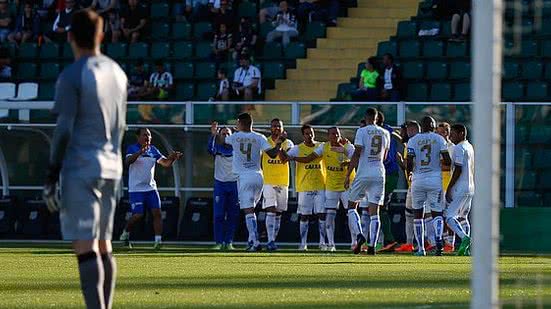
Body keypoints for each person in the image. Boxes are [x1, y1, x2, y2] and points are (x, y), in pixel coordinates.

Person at [42, 9, 127, 309]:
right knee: (105, 244)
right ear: (101, 35)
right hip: (112, 167)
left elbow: (64, 128)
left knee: (85, 247)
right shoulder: (118, 73)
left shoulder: (72, 75)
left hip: (81, 166)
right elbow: (121, 125)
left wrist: (52, 173)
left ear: (69, 37)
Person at [214, 113, 285, 252]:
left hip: (244, 177)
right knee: (252, 208)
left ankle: (255, 242)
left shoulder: (234, 137)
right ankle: (252, 240)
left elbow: (221, 142)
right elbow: (272, 154)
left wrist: (215, 133)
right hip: (258, 176)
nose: (236, 125)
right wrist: (279, 143)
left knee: (248, 211)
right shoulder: (260, 137)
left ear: (241, 123)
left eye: (237, 122)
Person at [291, 127, 355, 252]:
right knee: (329, 215)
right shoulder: (324, 147)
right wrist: (292, 158)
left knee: (351, 213)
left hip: (347, 185)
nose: (335, 136)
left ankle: (354, 243)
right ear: (328, 136)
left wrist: (347, 163)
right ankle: (330, 244)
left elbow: (357, 159)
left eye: (337, 133)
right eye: (332, 134)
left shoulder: (348, 146)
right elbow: (309, 158)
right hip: (331, 186)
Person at [119, 128, 183, 250]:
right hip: (136, 189)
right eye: (144, 135)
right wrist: (139, 153)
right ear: (138, 137)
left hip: (150, 188)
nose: (147, 137)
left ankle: (158, 242)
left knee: (157, 213)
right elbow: (127, 161)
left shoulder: (153, 150)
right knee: (138, 214)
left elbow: (165, 163)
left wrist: (173, 158)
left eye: (149, 135)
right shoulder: (132, 148)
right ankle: (125, 233)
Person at [345, 108, 390, 255]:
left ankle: (359, 235)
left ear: (366, 118)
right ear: (377, 118)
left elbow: (357, 153)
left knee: (352, 206)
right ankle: (372, 245)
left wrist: (348, 174)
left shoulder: (362, 131)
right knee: (374, 212)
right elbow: (384, 157)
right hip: (379, 173)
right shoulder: (385, 133)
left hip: (364, 172)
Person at [406, 116, 452, 256]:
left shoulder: (413, 140)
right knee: (437, 212)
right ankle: (438, 240)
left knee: (417, 215)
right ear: (433, 126)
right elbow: (448, 161)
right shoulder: (439, 139)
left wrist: (409, 172)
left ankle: (421, 249)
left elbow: (409, 160)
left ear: (421, 126)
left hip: (418, 179)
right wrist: (437, 162)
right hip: (434, 179)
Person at [285, 125, 327, 251]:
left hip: (321, 185)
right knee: (304, 215)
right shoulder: (298, 148)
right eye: (307, 134)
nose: (310, 136)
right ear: (303, 135)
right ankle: (303, 243)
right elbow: (284, 158)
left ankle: (322, 242)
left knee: (322, 214)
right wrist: (281, 145)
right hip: (305, 186)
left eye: (312, 133)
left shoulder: (321, 146)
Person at [261, 118, 294, 252]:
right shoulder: (265, 142)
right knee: (271, 209)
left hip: (282, 181)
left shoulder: (289, 143)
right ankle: (270, 241)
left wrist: (280, 144)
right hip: (268, 181)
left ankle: (273, 240)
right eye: (274, 126)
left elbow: (284, 159)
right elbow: (271, 155)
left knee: (278, 213)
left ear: (282, 128)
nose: (276, 129)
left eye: (278, 126)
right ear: (270, 128)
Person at [208, 122, 239, 250]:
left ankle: (229, 241)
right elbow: (210, 149)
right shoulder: (217, 148)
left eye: (228, 133)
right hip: (220, 184)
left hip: (235, 184)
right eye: (223, 134)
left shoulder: (237, 149)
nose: (225, 136)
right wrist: (213, 135)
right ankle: (219, 242)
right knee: (218, 215)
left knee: (233, 215)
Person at [444, 123, 474, 256]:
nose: (451, 137)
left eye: (453, 134)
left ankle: (464, 238)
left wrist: (449, 187)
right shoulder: (470, 146)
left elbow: (458, 168)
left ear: (461, 133)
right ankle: (466, 248)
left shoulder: (458, 148)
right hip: (470, 186)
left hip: (460, 186)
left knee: (449, 216)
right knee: (463, 217)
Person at [394, 121, 419, 253]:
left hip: (417, 183)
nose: (401, 133)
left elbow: (411, 165)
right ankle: (410, 243)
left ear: (410, 131)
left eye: (403, 131)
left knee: (421, 214)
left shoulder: (412, 143)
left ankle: (428, 242)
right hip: (416, 183)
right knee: (410, 213)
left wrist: (401, 162)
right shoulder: (413, 142)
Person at [437, 122, 456, 253]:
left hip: (449, 184)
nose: (440, 134)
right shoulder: (436, 146)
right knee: (440, 215)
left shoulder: (453, 148)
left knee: (450, 214)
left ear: (448, 133)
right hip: (437, 184)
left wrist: (439, 164)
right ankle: (444, 241)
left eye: (443, 132)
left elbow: (451, 166)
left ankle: (451, 242)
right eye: (438, 132)